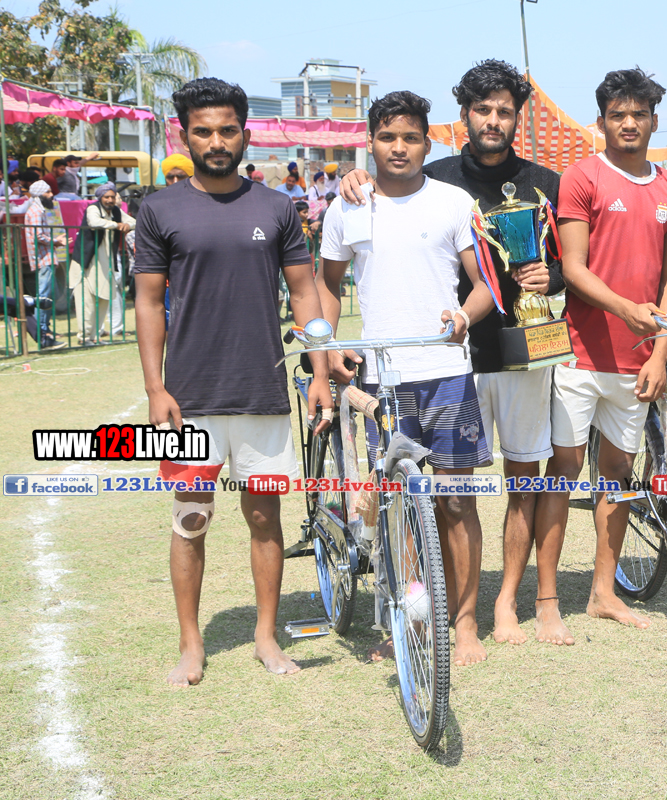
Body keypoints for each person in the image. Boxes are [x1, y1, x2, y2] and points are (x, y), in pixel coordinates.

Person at [341, 59, 572, 646]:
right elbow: (385, 188)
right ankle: (433, 609)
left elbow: (570, 263)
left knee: (522, 479)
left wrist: (552, 278)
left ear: (518, 117)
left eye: (504, 111)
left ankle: (507, 603)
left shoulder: (546, 182)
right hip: (450, 360)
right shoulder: (435, 177)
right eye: (482, 110)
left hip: (523, 351)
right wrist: (353, 176)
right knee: (439, 495)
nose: (493, 120)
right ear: (463, 115)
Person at [132, 77, 333, 687]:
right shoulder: (158, 209)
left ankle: (266, 637)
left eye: (226, 130)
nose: (216, 142)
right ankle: (191, 644)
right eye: (203, 131)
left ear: (245, 134)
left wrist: (320, 371)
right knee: (191, 518)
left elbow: (305, 292)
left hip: (261, 392)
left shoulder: (277, 207)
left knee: (265, 518)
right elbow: (148, 302)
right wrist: (155, 389)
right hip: (189, 397)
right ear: (185, 136)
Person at [319, 90, 495, 666]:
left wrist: (463, 316)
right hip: (383, 382)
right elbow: (327, 287)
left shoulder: (453, 202)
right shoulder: (346, 207)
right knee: (396, 507)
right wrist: (329, 348)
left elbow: (484, 286)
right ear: (370, 142)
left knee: (456, 503)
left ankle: (464, 622)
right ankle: (409, 618)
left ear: (427, 142)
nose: (399, 147)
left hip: (447, 375)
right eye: (388, 137)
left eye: (411, 138)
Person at [538, 67, 667, 630]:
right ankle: (547, 601)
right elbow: (574, 270)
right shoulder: (581, 177)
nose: (629, 123)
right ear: (600, 122)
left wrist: (660, 351)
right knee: (563, 470)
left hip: (638, 362)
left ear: (654, 120)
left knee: (619, 474)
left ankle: (603, 593)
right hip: (578, 355)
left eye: (639, 114)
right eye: (618, 115)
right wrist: (626, 309)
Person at [70, 183, 132, 344]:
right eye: (107, 197)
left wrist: (126, 224)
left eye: (112, 197)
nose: (110, 200)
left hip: (106, 263)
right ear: (100, 198)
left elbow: (134, 222)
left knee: (104, 298)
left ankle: (95, 336)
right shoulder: (93, 208)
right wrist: (116, 225)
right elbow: (94, 222)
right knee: (86, 301)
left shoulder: (116, 211)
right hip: (87, 262)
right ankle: (84, 337)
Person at [21, 180, 68, 349]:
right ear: (39, 194)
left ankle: (44, 329)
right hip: (43, 258)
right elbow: (38, 236)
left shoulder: (39, 210)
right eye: (47, 192)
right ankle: (41, 332)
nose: (51, 195)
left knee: (49, 296)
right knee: (44, 297)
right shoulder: (35, 211)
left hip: (47, 257)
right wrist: (56, 241)